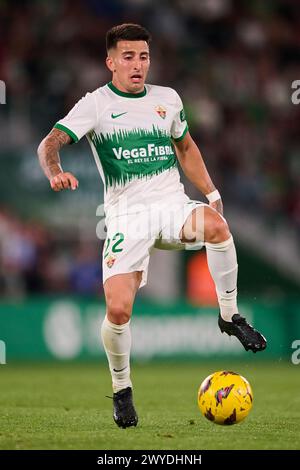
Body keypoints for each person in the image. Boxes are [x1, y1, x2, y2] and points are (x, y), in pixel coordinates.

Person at [37, 23, 267, 429]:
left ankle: (230, 317)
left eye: (143, 56)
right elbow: (50, 143)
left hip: (171, 206)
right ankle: (122, 389)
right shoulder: (95, 104)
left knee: (217, 227)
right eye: (128, 57)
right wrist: (55, 170)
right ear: (110, 62)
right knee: (118, 310)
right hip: (127, 216)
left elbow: (185, 146)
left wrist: (211, 193)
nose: (137, 64)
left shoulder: (168, 99)